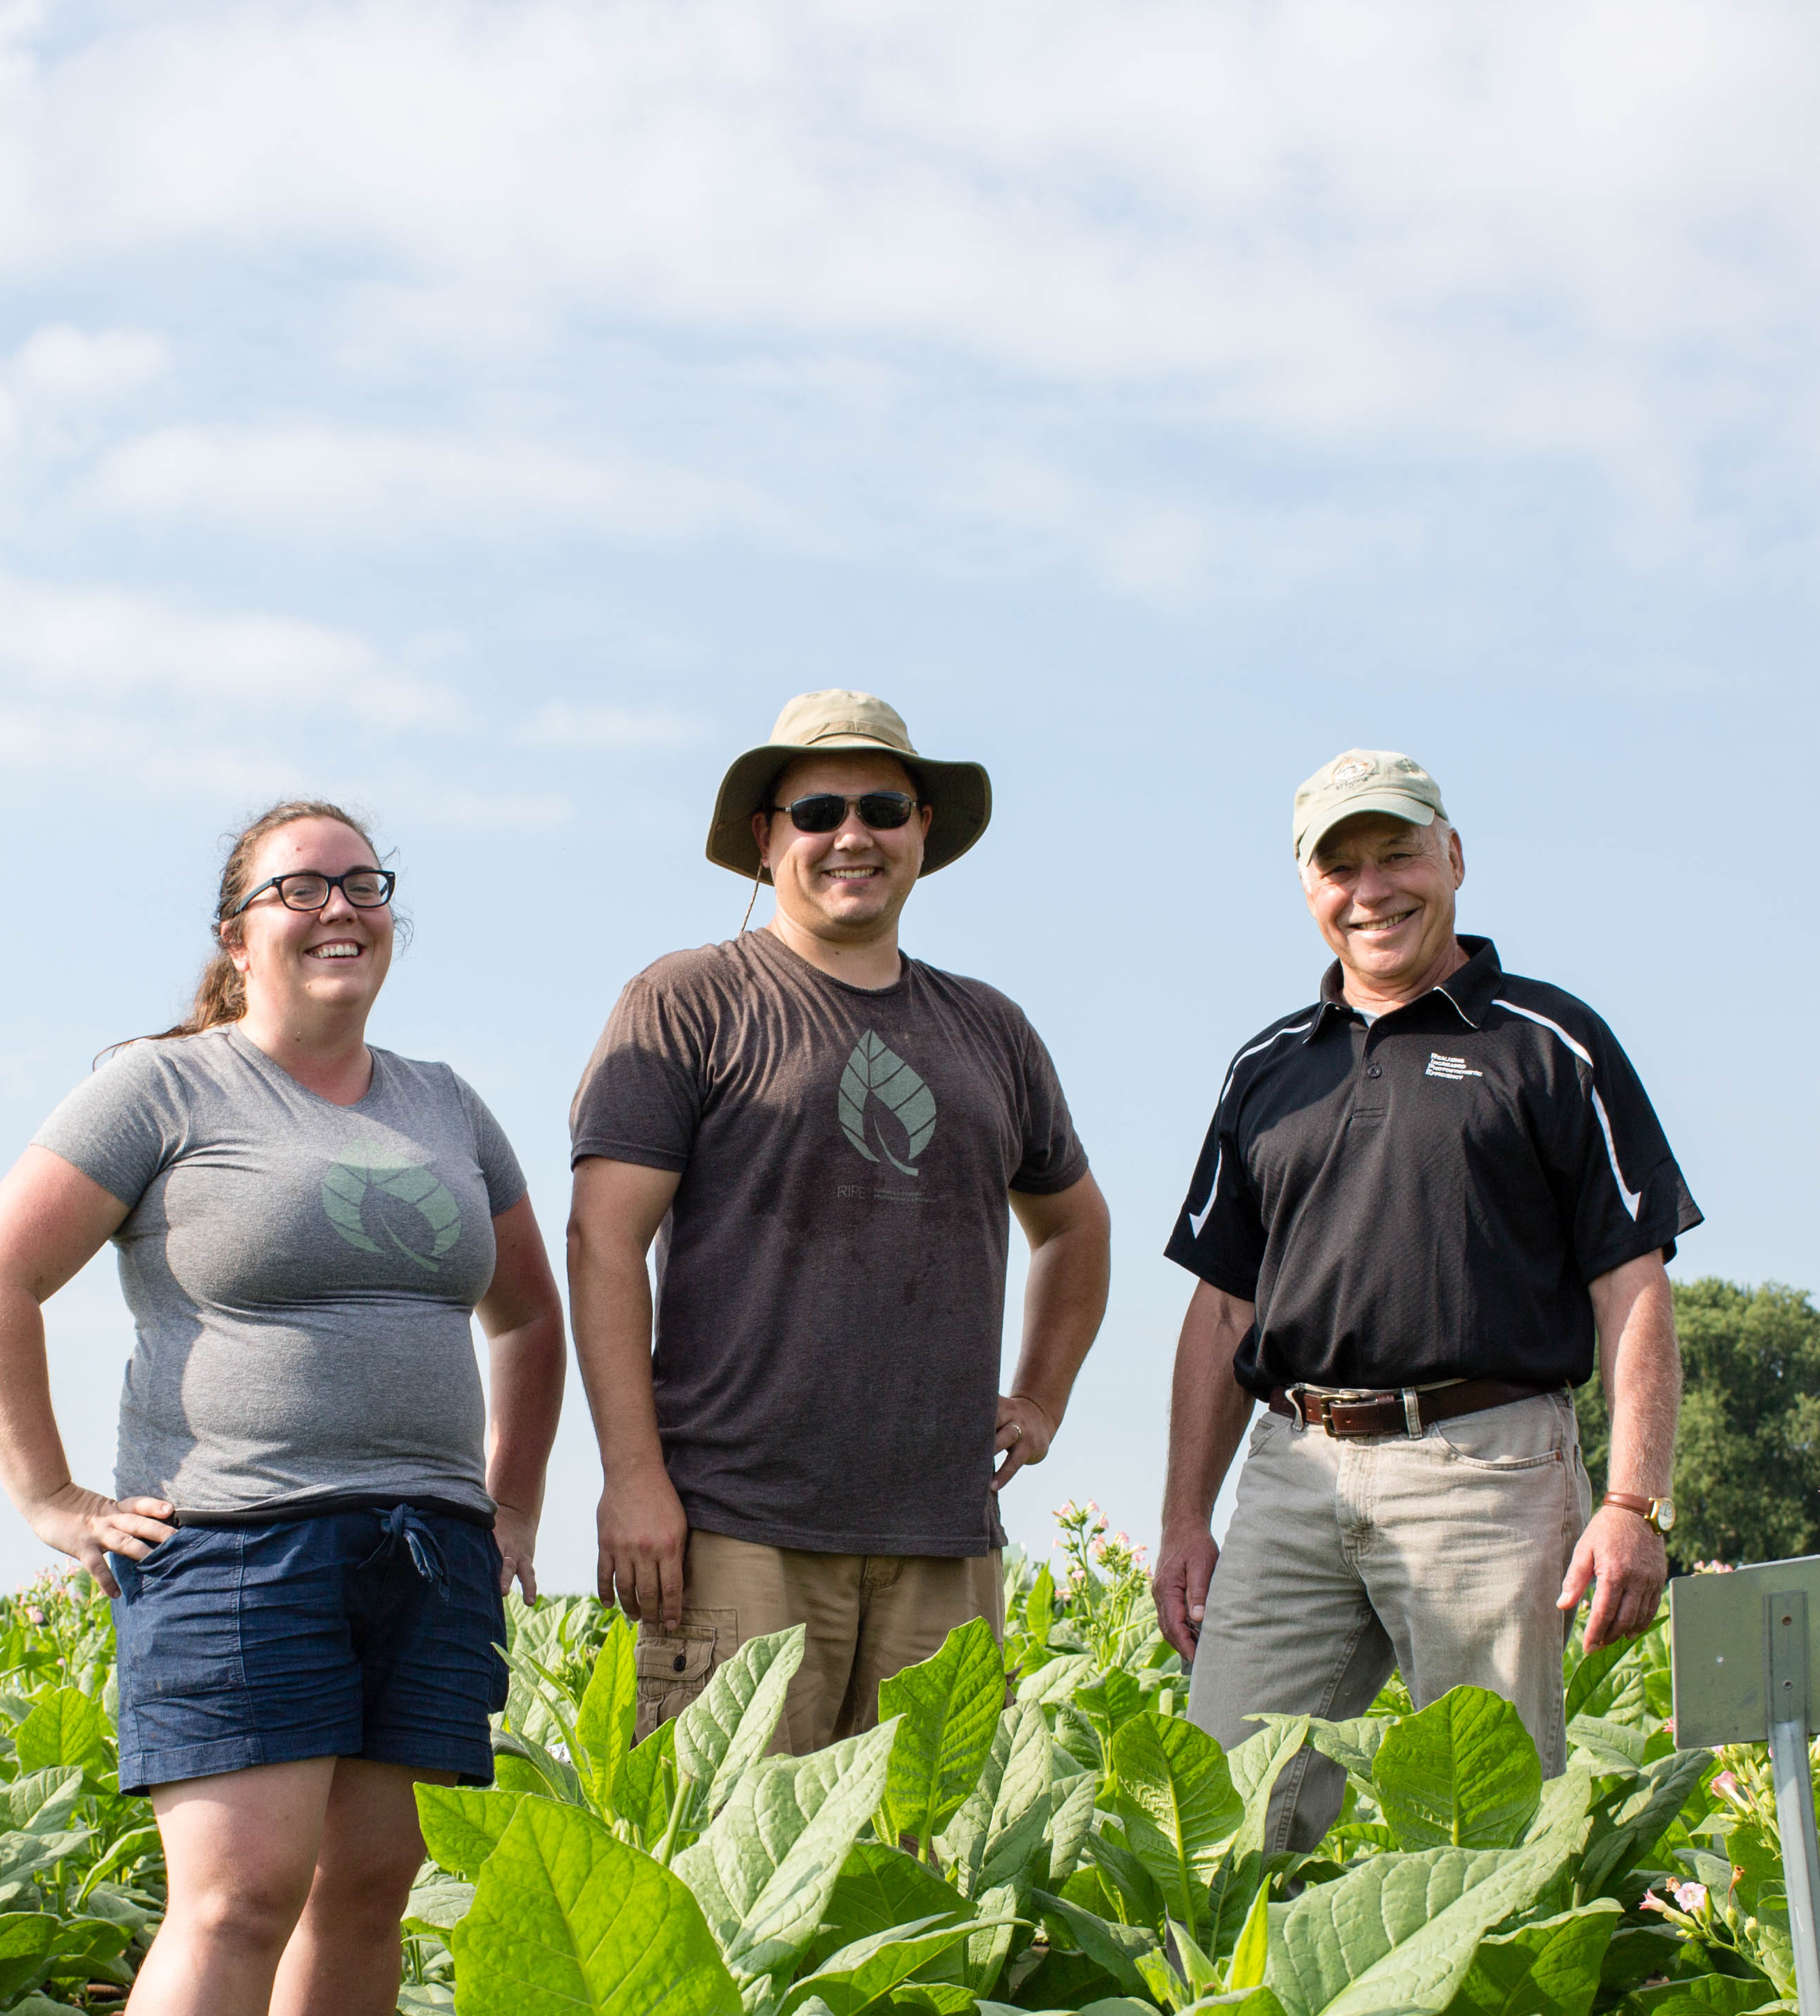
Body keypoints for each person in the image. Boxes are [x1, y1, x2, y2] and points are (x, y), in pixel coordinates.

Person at [0, 799, 564, 2016]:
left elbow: (528, 1320)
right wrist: (50, 1498)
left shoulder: (445, 1103)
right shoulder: (161, 1087)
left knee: (367, 1889)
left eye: (367, 884)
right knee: (233, 1898)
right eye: (303, 886)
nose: (340, 907)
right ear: (239, 932)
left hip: (427, 1546)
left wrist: (511, 1505)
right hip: (235, 1537)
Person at [1155, 750, 1694, 1847]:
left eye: (1397, 854)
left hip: (1483, 1467)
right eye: (1338, 868)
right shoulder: (1266, 1068)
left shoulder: (1551, 1045)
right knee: (1225, 1822)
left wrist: (1634, 1505)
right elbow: (1221, 1313)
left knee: (1481, 1825)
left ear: (1452, 856)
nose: (1371, 891)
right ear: (1308, 890)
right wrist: (1181, 1519)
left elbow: (1632, 1286)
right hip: (1292, 1475)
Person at [566, 691, 1111, 1753]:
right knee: (729, 1870)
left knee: (921, 1874)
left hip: (944, 1539)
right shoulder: (687, 1000)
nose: (851, 835)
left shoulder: (992, 1029)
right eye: (816, 812)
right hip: (733, 1528)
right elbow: (602, 1243)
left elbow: (1077, 1227)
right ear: (767, 841)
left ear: (923, 834)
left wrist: (1042, 1397)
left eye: (883, 808)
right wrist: (633, 1477)